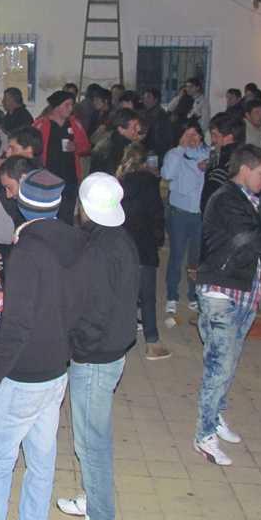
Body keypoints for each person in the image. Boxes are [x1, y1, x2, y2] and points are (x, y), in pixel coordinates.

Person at [0, 169, 86, 520]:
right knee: (41, 461)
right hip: (56, 370)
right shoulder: (76, 242)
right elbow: (61, 297)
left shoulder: (26, 251)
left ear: (21, 202)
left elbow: (17, 329)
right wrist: (14, 296)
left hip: (22, 376)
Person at [57, 172, 138, 520]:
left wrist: (78, 348)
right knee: (92, 435)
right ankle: (93, 497)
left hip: (96, 356)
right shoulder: (118, 238)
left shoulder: (98, 249)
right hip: (112, 349)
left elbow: (95, 311)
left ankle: (100, 517)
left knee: (91, 441)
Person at [194, 145, 261, 466]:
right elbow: (253, 240)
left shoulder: (250, 199)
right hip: (221, 293)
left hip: (243, 291)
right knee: (219, 364)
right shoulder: (226, 199)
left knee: (230, 360)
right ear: (245, 170)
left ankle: (216, 415)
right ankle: (204, 435)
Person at [117, 144, 170, 360]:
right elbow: (156, 214)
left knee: (124, 294)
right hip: (144, 244)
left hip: (123, 245)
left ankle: (121, 339)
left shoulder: (119, 183)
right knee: (147, 296)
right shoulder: (149, 183)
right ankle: (152, 341)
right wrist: (158, 240)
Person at [161, 122, 210, 315]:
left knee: (196, 257)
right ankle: (172, 295)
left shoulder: (208, 154)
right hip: (179, 212)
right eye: (187, 135)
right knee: (177, 255)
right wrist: (180, 149)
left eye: (195, 135)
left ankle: (193, 294)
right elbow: (167, 174)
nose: (192, 139)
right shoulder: (174, 154)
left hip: (200, 213)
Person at [33, 90, 91, 224]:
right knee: (48, 215)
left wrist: (76, 147)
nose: (70, 108)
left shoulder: (75, 124)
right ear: (57, 107)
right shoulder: (41, 124)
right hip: (47, 178)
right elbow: (30, 146)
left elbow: (86, 147)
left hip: (70, 178)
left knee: (67, 214)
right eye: (67, 105)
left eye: (72, 105)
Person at [201, 113, 244, 213]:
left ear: (229, 137)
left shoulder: (225, 164)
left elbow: (210, 199)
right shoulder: (243, 157)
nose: (212, 140)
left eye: (215, 135)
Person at [141, 87, 174, 166]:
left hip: (155, 153)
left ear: (156, 100)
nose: (145, 100)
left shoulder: (160, 115)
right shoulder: (147, 113)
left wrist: (153, 150)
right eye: (144, 97)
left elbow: (164, 138)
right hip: (149, 151)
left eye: (148, 97)